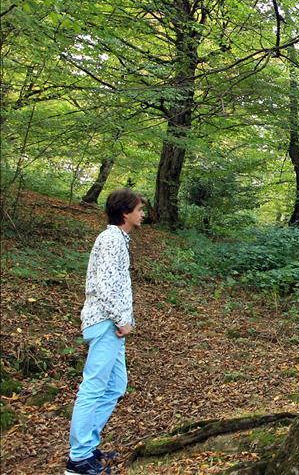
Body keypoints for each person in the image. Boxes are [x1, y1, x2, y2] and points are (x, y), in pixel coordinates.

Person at [65, 188, 145, 475]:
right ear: (125, 213)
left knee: (115, 386)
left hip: (112, 325)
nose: (142, 213)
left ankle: (88, 446)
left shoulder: (118, 239)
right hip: (106, 324)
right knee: (94, 388)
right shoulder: (111, 240)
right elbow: (106, 287)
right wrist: (123, 320)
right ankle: (78, 460)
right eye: (138, 209)